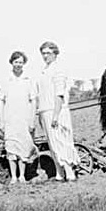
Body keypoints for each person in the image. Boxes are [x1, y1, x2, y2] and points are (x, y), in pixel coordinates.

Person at [36, 41, 79, 182]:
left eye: (48, 53)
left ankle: (69, 173)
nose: (45, 56)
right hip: (45, 111)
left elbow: (59, 95)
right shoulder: (44, 70)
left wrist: (55, 115)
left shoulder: (58, 70)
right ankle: (59, 173)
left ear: (55, 53)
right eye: (43, 53)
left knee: (60, 142)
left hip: (57, 111)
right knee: (52, 144)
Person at [0, 51, 37, 184]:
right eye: (16, 62)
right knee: (11, 148)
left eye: (21, 62)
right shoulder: (6, 80)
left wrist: (32, 119)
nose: (18, 65)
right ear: (11, 63)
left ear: (24, 64)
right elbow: (1, 101)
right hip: (10, 120)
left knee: (24, 148)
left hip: (24, 120)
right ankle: (14, 176)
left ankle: (22, 176)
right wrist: (1, 121)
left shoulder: (28, 80)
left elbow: (33, 101)